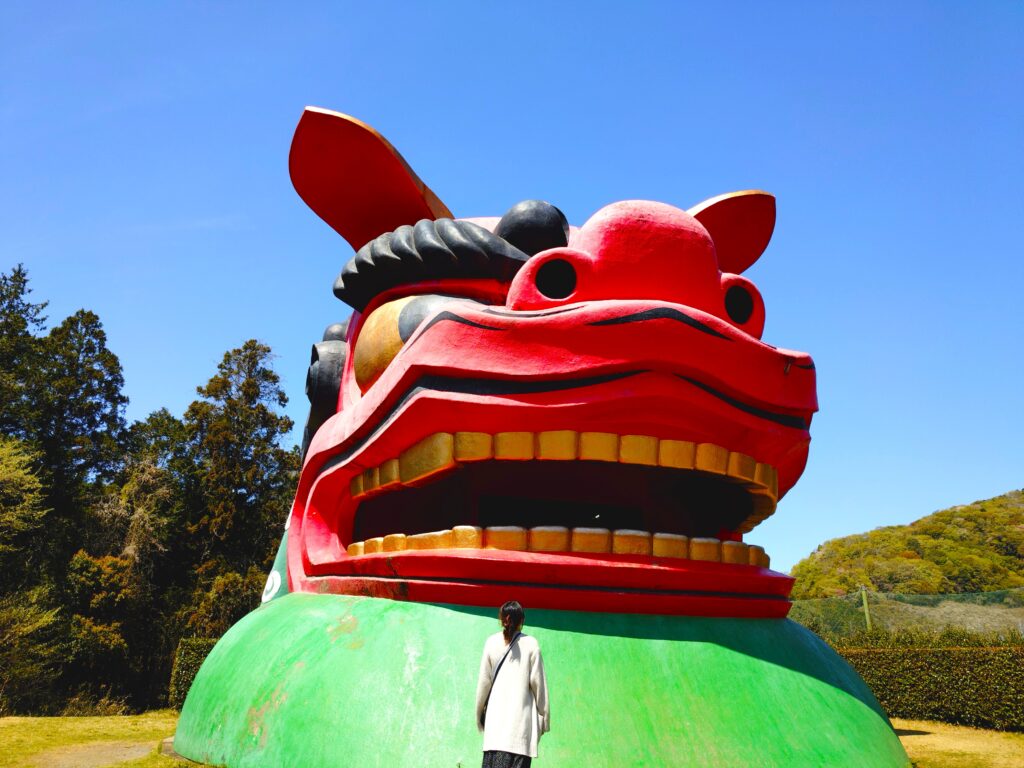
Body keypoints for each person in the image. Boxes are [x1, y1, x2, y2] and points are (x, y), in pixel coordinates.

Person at [475, 600, 549, 768]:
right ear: (521, 620)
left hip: (494, 732)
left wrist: (479, 715)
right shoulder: (531, 644)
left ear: (502, 619)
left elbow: (483, 684)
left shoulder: (491, 643)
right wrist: (544, 720)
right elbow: (540, 686)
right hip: (519, 733)